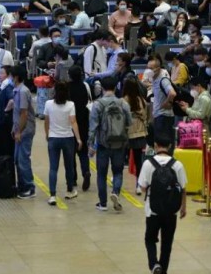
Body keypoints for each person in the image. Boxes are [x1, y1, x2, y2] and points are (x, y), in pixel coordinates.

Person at [139, 134, 187, 274]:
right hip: (171, 211)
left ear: (155, 145)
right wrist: (183, 207)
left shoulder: (148, 164)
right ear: (170, 146)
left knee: (150, 239)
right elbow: (183, 188)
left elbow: (142, 187)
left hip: (152, 210)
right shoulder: (177, 165)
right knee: (167, 243)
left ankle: (154, 265)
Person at [89, 76, 131, 212]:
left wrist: (91, 144)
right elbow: (129, 122)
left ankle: (103, 204)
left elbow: (93, 127)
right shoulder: (123, 103)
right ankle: (116, 192)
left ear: (102, 87)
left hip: (103, 144)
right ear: (115, 87)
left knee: (101, 174)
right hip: (120, 143)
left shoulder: (98, 104)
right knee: (118, 171)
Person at [44, 82, 82, 206]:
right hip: (68, 138)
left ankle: (52, 195)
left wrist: (47, 134)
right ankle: (69, 190)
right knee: (69, 166)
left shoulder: (48, 104)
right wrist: (78, 139)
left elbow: (46, 121)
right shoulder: (71, 105)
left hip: (53, 138)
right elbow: (73, 122)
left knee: (53, 167)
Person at [12, 66, 36, 199]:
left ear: (16, 77)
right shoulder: (17, 90)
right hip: (19, 130)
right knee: (17, 159)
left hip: (25, 131)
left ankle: (29, 187)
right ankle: (22, 185)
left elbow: (24, 113)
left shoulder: (22, 92)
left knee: (23, 160)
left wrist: (19, 132)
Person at [122, 76, 149, 195]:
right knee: (138, 161)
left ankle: (117, 180)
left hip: (126, 133)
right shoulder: (141, 100)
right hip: (139, 133)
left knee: (121, 158)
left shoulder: (123, 100)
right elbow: (145, 116)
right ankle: (139, 185)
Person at [148, 55, 176, 143]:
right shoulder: (154, 79)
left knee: (163, 144)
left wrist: (166, 103)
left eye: (151, 68)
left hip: (164, 117)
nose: (148, 71)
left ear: (158, 68)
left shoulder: (163, 80)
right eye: (148, 68)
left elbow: (172, 93)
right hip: (158, 115)